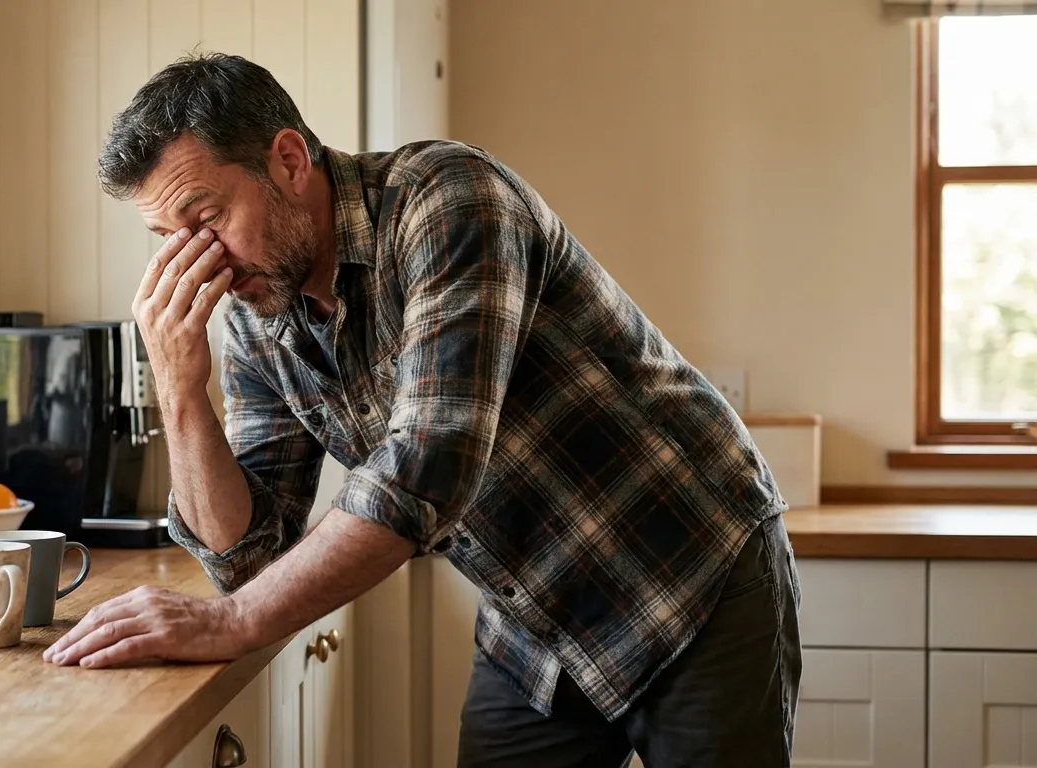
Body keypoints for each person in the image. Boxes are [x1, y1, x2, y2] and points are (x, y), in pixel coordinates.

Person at [43, 51, 802, 767]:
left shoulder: (447, 198)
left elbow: (427, 469)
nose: (196, 262)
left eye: (203, 220)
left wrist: (230, 625)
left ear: (288, 160)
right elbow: (250, 560)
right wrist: (178, 391)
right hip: (535, 616)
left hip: (690, 566)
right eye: (165, 240)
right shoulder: (254, 309)